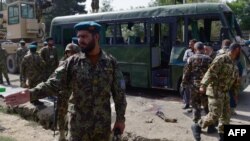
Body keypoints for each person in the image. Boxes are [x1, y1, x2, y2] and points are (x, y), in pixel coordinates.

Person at [4, 21, 127, 141]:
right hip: (78, 129)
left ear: (96, 36)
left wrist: (120, 119)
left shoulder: (111, 63)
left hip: (102, 128)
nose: (80, 40)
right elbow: (52, 84)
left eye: (84, 36)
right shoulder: (72, 62)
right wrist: (30, 94)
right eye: (78, 37)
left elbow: (119, 94)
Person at [191, 43, 241, 141]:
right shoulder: (221, 59)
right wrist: (203, 85)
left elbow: (235, 81)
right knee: (215, 115)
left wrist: (235, 94)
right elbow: (210, 72)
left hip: (225, 93)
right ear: (236, 50)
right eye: (239, 51)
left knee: (226, 116)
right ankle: (198, 125)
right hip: (215, 90)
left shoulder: (234, 64)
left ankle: (222, 134)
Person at [181, 42, 212, 123]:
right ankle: (210, 125)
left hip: (194, 86)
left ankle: (196, 124)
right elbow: (212, 73)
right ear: (203, 49)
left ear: (195, 49)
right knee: (207, 106)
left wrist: (184, 84)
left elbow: (186, 73)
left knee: (195, 105)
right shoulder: (209, 59)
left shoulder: (190, 59)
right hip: (205, 86)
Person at [57, 43, 80, 141]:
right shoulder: (63, 63)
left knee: (73, 116)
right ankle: (62, 135)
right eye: (69, 52)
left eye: (74, 52)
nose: (71, 54)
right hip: (64, 94)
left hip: (75, 96)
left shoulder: (82, 63)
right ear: (66, 53)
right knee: (61, 114)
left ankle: (70, 135)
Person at [182, 39, 197, 109]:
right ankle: (187, 103)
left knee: (194, 89)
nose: (189, 45)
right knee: (186, 88)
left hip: (195, 73)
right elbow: (184, 59)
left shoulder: (198, 51)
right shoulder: (187, 51)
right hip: (187, 72)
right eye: (189, 44)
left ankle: (194, 104)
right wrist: (192, 58)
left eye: (191, 44)